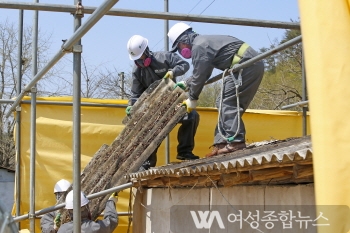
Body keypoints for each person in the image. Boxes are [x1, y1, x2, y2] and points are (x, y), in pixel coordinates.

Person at [167, 22, 265, 157]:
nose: (180, 51)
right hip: (246, 64)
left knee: (227, 103)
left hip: (245, 65)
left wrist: (192, 98)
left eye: (178, 47)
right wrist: (186, 83)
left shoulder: (199, 46)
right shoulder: (203, 43)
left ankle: (236, 142)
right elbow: (202, 72)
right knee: (222, 101)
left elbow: (201, 75)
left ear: (184, 40)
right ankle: (221, 143)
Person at [126, 35, 200, 171]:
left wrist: (173, 72)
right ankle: (148, 162)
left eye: (141, 57)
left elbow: (184, 64)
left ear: (147, 51)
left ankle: (184, 152)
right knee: (151, 130)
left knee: (192, 116)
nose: (140, 62)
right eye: (137, 60)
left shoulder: (164, 57)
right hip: (154, 109)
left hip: (173, 102)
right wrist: (131, 105)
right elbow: (136, 94)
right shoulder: (137, 71)